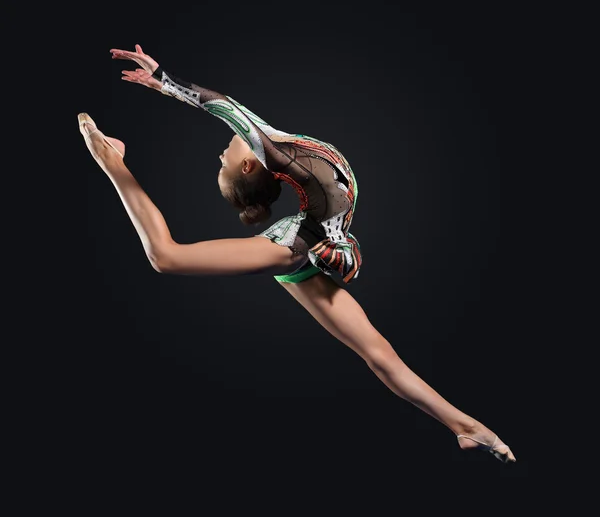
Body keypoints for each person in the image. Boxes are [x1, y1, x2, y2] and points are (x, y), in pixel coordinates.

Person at [78, 44, 516, 463]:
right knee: (166, 256)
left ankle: (469, 428)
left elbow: (228, 109)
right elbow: (226, 107)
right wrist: (162, 82)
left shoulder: (276, 149)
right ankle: (113, 163)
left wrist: (162, 82)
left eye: (220, 160)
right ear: (250, 165)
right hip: (298, 246)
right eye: (222, 161)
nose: (220, 150)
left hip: (310, 239)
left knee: (379, 353)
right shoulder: (276, 151)